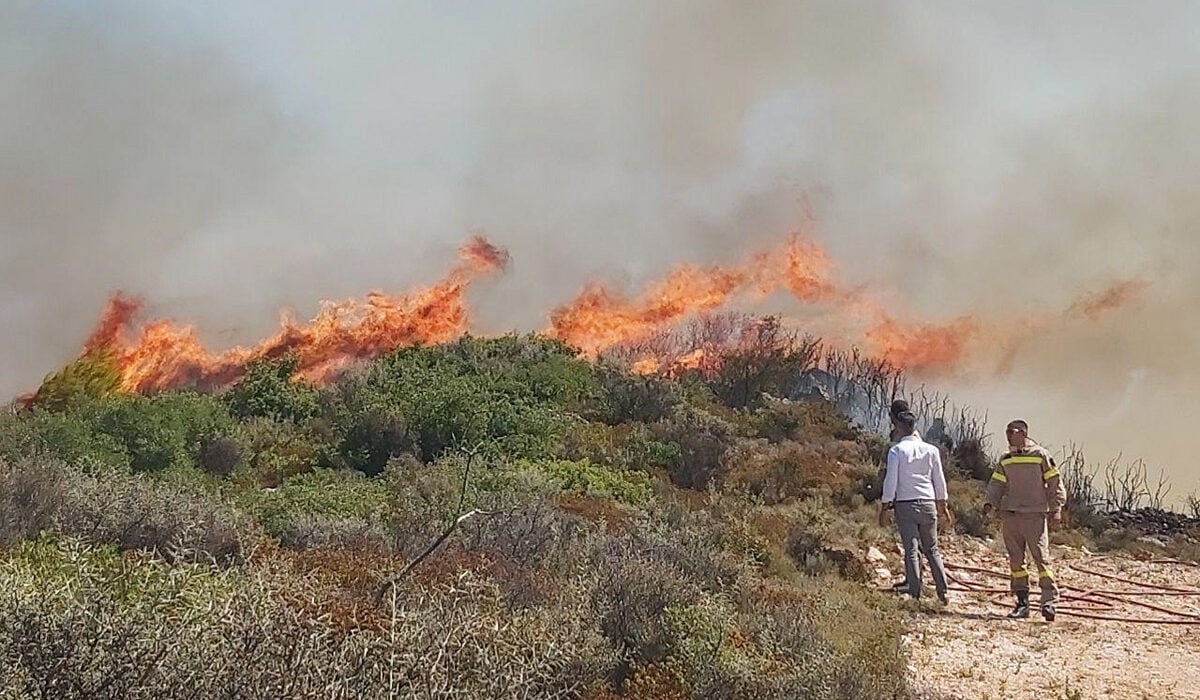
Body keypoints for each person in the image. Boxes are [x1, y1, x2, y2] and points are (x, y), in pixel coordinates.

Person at [983, 419, 1066, 621]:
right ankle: (1022, 604)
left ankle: (1048, 603)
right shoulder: (1006, 459)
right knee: (1016, 562)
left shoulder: (1040, 456)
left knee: (1041, 559)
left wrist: (1056, 508)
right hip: (1011, 515)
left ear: (1023, 433)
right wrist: (989, 504)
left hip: (1034, 516)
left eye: (1013, 432)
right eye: (1007, 432)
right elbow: (997, 484)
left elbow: (1054, 481)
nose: (1010, 436)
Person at [878, 409, 953, 603]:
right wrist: (942, 505)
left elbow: (891, 480)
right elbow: (939, 479)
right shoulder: (931, 450)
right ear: (914, 427)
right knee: (932, 548)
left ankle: (914, 589)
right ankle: (943, 591)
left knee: (911, 548)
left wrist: (885, 506)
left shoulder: (897, 451)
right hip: (928, 503)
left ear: (898, 427)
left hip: (906, 504)